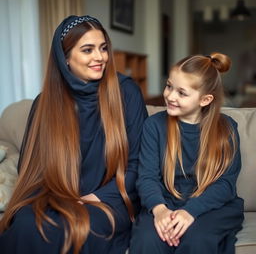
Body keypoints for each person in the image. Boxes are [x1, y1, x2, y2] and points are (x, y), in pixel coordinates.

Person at [0, 15, 147, 254]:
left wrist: (95, 198)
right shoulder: (44, 103)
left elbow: (138, 163)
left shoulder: (126, 92)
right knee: (27, 224)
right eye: (87, 50)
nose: (99, 57)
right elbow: (32, 167)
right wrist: (58, 200)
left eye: (103, 48)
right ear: (65, 58)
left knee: (79, 227)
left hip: (110, 200)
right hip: (56, 197)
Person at [129, 53, 244, 254]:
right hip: (166, 200)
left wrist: (191, 212)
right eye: (169, 86)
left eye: (182, 93)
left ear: (205, 99)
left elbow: (225, 184)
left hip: (212, 204)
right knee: (148, 239)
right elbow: (147, 177)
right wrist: (160, 210)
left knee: (197, 239)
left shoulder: (227, 129)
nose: (170, 96)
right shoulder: (153, 126)